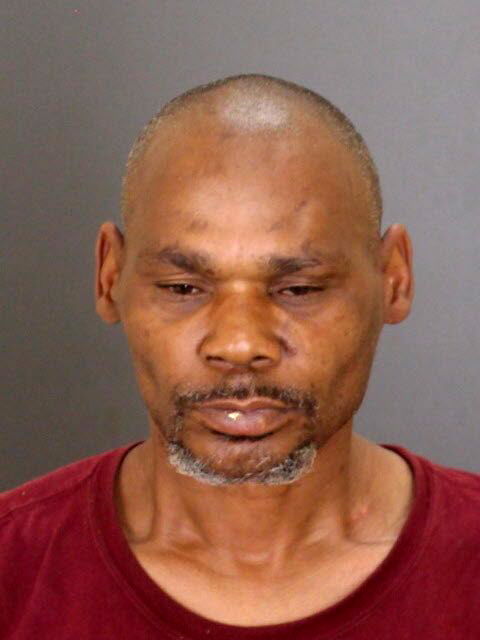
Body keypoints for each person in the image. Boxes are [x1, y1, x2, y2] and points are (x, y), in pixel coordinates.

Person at [1, 74, 478, 639]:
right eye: (182, 288)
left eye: (299, 289)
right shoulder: (15, 567)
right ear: (110, 278)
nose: (239, 344)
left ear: (393, 280)